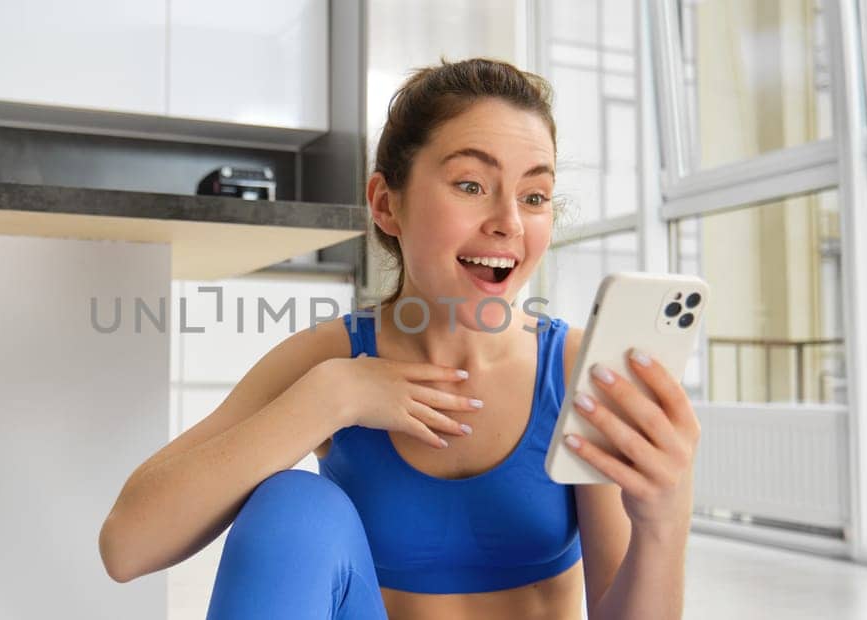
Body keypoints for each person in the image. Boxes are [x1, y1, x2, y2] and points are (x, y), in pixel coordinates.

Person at [98, 57, 699, 620]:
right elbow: (127, 547)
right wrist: (329, 399)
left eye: (534, 196)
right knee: (295, 505)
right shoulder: (332, 359)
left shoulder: (577, 372)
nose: (509, 222)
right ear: (387, 204)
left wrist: (662, 522)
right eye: (471, 184)